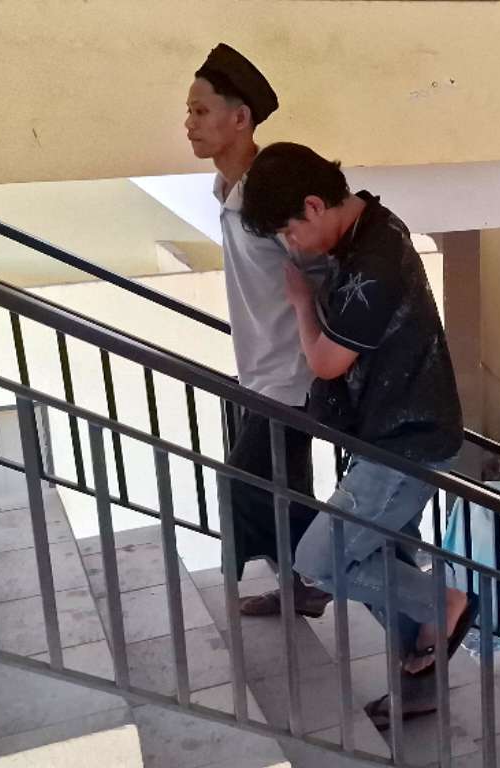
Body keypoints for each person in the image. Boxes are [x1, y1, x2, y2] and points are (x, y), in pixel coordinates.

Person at [239, 142, 474, 678]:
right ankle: (423, 671)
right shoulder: (370, 226)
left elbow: (326, 362)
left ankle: (446, 603)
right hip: (396, 434)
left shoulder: (376, 262)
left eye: (289, 231)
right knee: (384, 555)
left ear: (314, 205)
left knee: (319, 562)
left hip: (405, 443)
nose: (291, 245)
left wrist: (302, 303)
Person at [184, 44, 333, 617]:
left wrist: (319, 347)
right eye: (189, 111)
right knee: (283, 488)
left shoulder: (269, 195)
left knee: (246, 483)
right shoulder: (225, 191)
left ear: (240, 118)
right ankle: (304, 586)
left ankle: (344, 568)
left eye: (201, 111)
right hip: (260, 368)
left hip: (293, 374)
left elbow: (319, 267)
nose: (189, 123)